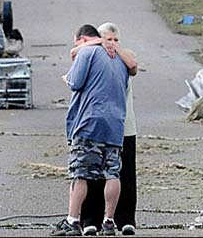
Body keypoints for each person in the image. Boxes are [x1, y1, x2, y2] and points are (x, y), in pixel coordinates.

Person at [51, 24, 129, 236]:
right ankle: (109, 222)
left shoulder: (87, 52)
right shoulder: (120, 58)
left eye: (76, 43)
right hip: (115, 123)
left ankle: (73, 220)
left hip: (89, 122)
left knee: (80, 173)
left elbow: (75, 82)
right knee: (112, 173)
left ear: (83, 39)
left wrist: (70, 71)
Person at [72, 23, 138, 236]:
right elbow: (76, 53)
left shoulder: (123, 57)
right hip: (110, 124)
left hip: (121, 125)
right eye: (108, 39)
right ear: (99, 40)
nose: (112, 44)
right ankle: (93, 220)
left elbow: (134, 65)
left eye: (116, 40)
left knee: (120, 174)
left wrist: (111, 46)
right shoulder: (95, 54)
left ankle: (123, 219)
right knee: (97, 175)